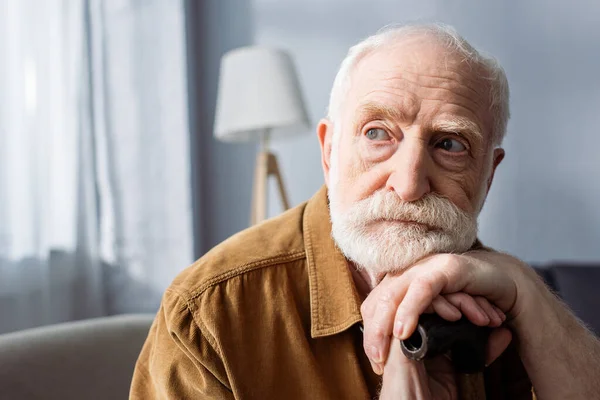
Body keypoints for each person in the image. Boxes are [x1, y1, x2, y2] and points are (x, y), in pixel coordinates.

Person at [130, 23, 600, 399]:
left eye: (450, 144)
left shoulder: (504, 304)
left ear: (488, 176)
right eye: (377, 134)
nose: (409, 184)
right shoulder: (210, 316)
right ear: (329, 150)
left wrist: (528, 294)